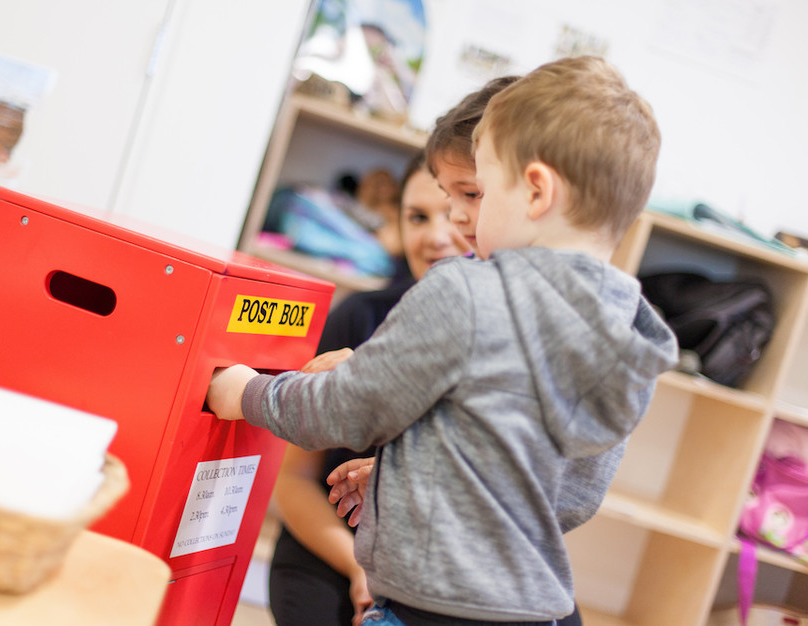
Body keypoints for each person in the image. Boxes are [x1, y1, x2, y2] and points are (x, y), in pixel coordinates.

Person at [208, 56, 678, 624]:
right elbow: (561, 494)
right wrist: (412, 474)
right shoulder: (626, 334)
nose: (459, 219)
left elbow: (346, 409)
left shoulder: (469, 293)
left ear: (533, 191)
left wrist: (246, 393)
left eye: (480, 189)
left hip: (426, 610)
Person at [268, 151, 471, 626]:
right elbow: (294, 480)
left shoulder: (509, 342)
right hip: (337, 551)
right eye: (417, 217)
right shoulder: (358, 316)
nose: (435, 236)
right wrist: (359, 569)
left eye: (455, 212)